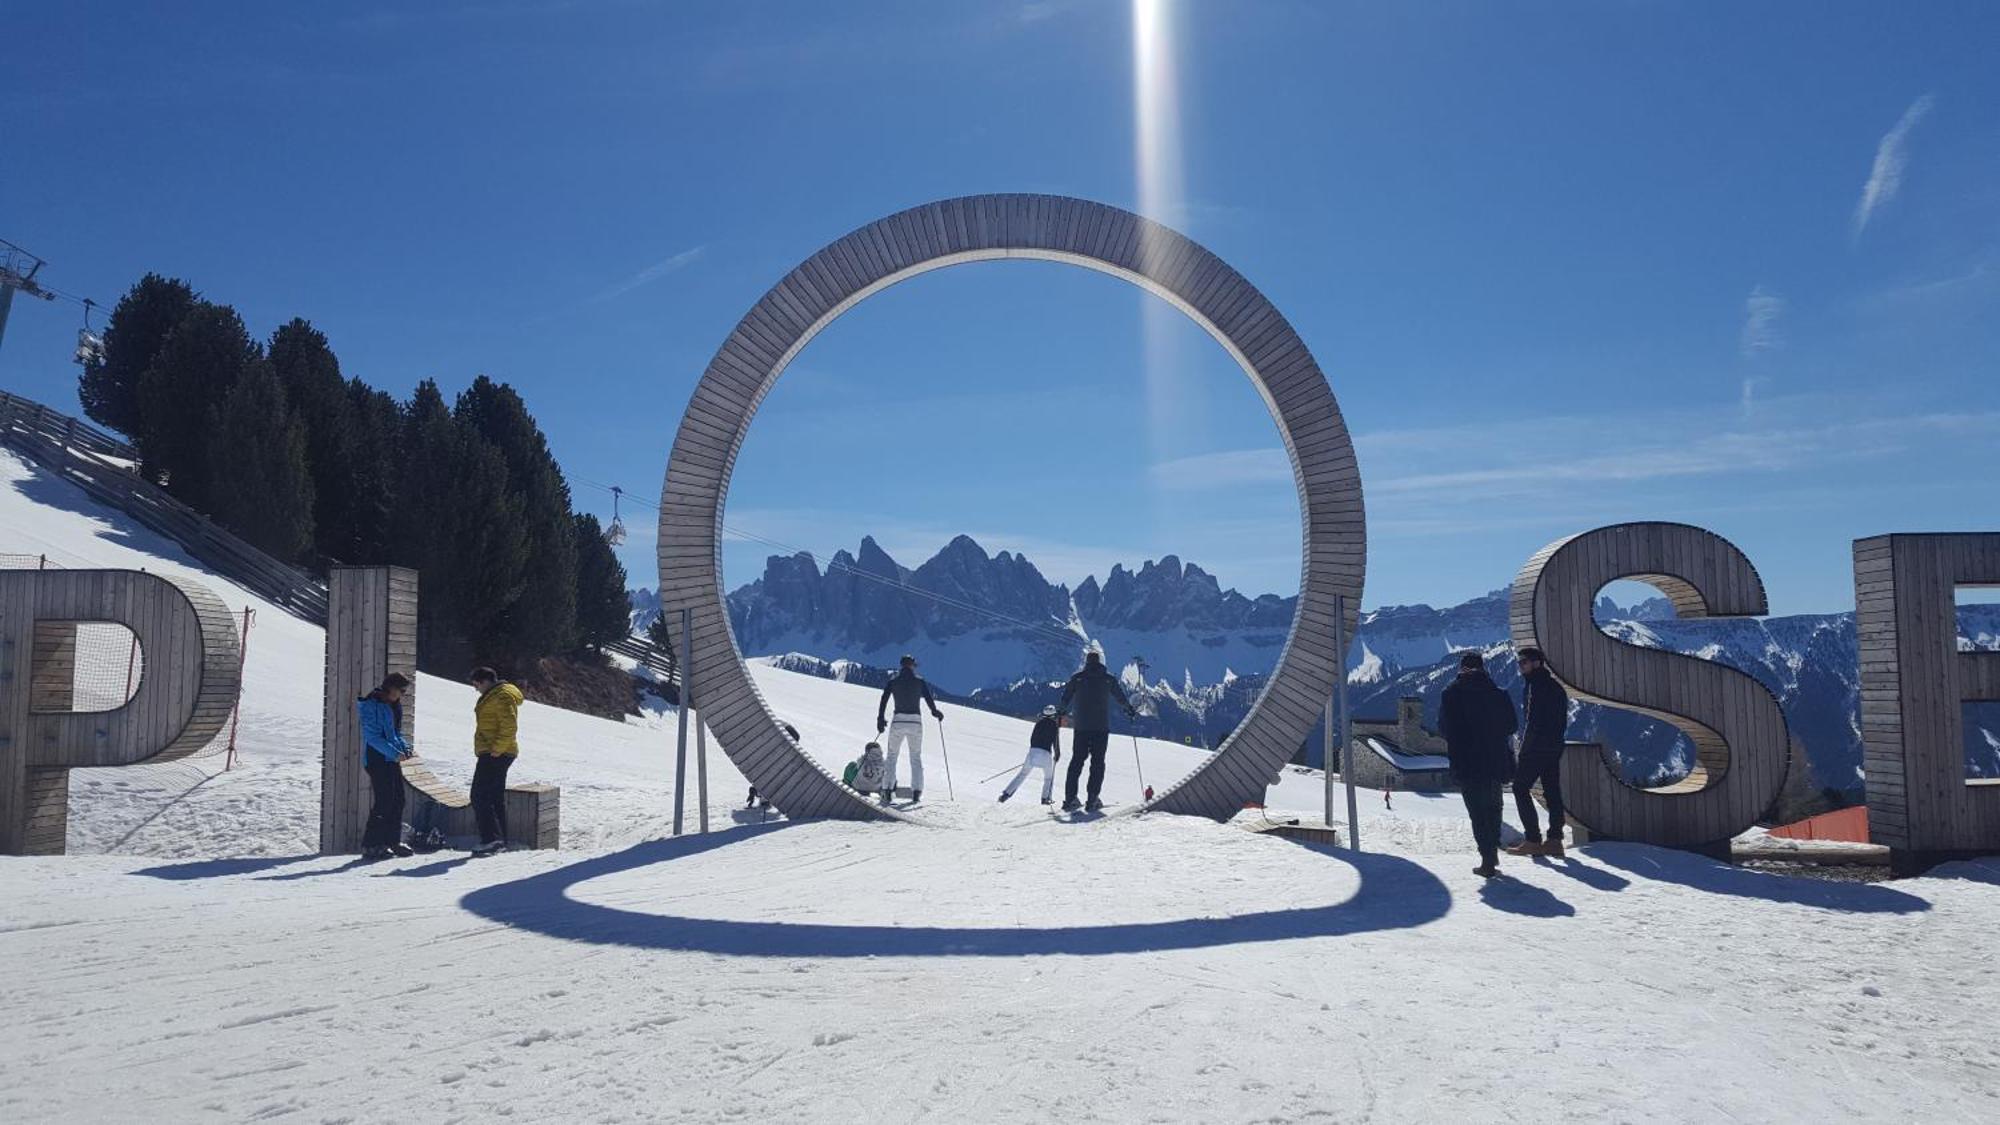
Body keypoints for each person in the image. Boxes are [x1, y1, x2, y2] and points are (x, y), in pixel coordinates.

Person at [1438, 651, 1520, 878]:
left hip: (1467, 761)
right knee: (1494, 808)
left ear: (1461, 668)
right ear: (1483, 668)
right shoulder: (1499, 694)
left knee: (1477, 811)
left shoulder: (1451, 694)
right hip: (1496, 760)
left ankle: (1487, 859)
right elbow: (1512, 725)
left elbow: (1444, 728)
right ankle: (1491, 851)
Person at [1509, 645, 1572, 858]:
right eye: (1519, 662)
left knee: (1519, 788)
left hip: (1536, 747)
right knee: (1552, 790)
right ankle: (1555, 840)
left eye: (1524, 662)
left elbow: (1532, 722)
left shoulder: (1535, 686)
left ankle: (1533, 840)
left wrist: (1524, 749)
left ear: (1537, 663)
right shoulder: (1555, 686)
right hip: (1554, 746)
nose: (1520, 666)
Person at [1057, 648, 1136, 812]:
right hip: (1100, 728)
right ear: (1100, 662)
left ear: (1086, 662)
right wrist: (1129, 709)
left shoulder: (1077, 678)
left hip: (1081, 727)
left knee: (1076, 762)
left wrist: (1061, 711)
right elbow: (1120, 697)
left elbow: (1066, 698)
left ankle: (1070, 799)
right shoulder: (1108, 680)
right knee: (1097, 763)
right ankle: (1092, 799)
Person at [357, 672, 415, 860]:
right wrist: (394, 753)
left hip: (391, 759)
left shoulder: (393, 705)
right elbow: (373, 737)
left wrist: (405, 748)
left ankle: (392, 841)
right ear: (390, 688)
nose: (403, 695)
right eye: (401, 690)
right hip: (377, 760)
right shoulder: (371, 705)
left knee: (398, 800)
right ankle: (371, 844)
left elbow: (395, 734)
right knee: (384, 802)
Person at [469, 667, 523, 855]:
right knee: (493, 796)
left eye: (476, 684)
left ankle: (491, 839)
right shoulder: (497, 694)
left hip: (496, 753)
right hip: (496, 751)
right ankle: (499, 840)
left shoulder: (501, 696)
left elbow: (509, 725)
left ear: (485, 681)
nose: (476, 689)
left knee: (479, 795)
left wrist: (496, 750)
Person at [876, 655, 943, 803]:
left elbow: (884, 699)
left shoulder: (893, 682)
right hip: (915, 721)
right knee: (915, 757)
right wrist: (935, 712)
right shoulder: (919, 681)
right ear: (912, 666)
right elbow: (928, 699)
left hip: (898, 720)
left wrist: (880, 718)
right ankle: (916, 791)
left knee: (892, 756)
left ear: (901, 666)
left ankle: (887, 789)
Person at [1000, 706, 1064, 805]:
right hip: (1046, 754)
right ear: (1053, 715)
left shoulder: (1038, 723)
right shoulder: (1054, 726)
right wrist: (1057, 754)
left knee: (1022, 774)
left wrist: (1033, 753)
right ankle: (1045, 798)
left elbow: (1032, 738)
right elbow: (1055, 742)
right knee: (1048, 778)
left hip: (1033, 752)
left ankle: (1006, 794)